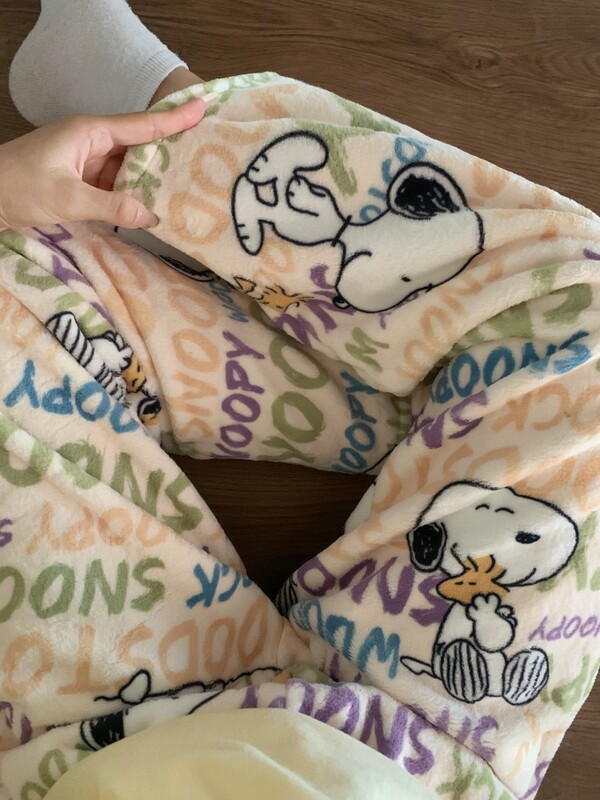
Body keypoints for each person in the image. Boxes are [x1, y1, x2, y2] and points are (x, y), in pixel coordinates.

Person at [0, 2, 598, 799]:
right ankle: (178, 177)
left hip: (96, 745)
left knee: (17, 265)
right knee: (581, 310)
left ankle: (167, 172)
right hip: (424, 757)